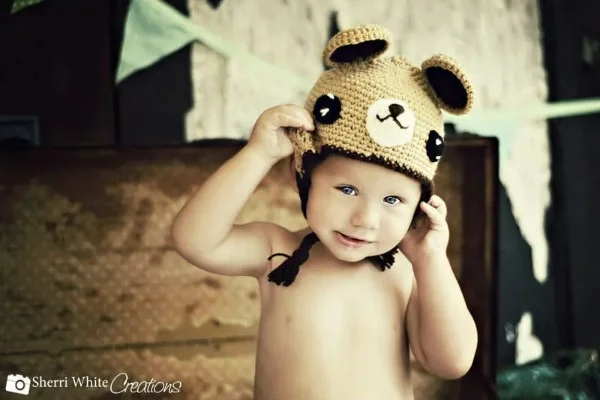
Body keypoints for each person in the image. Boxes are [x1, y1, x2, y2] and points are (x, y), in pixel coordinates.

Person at [171, 24, 478, 400]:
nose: (365, 219)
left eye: (393, 201)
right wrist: (259, 154)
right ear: (303, 177)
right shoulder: (276, 252)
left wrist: (432, 260)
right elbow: (194, 240)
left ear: (419, 208)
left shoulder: (406, 273)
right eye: (347, 189)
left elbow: (451, 362)